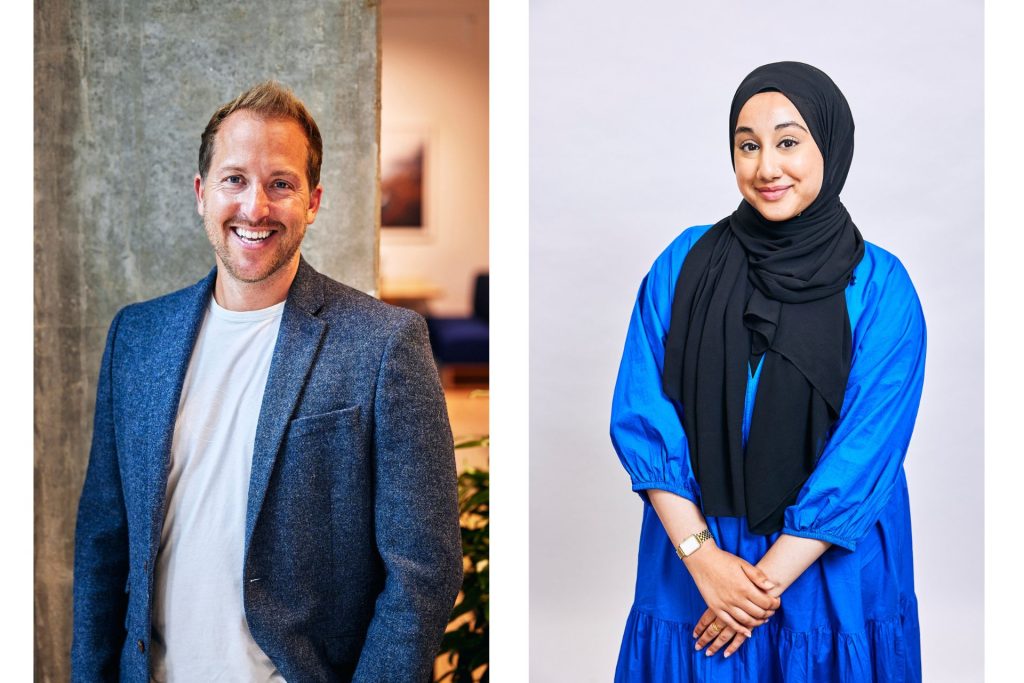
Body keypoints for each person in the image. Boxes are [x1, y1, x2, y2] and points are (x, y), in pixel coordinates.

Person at [71, 81, 463, 682]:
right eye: (234, 180)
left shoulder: (383, 344)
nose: (255, 207)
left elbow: (423, 567)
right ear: (202, 194)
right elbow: (103, 545)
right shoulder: (137, 338)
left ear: (313, 200)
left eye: (280, 183)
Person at [610, 62, 926, 682]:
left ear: (830, 147)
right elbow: (645, 416)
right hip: (697, 549)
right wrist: (706, 563)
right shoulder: (684, 263)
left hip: (826, 566)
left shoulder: (884, 286)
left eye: (788, 142)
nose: (766, 167)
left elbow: (864, 453)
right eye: (747, 145)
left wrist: (752, 593)